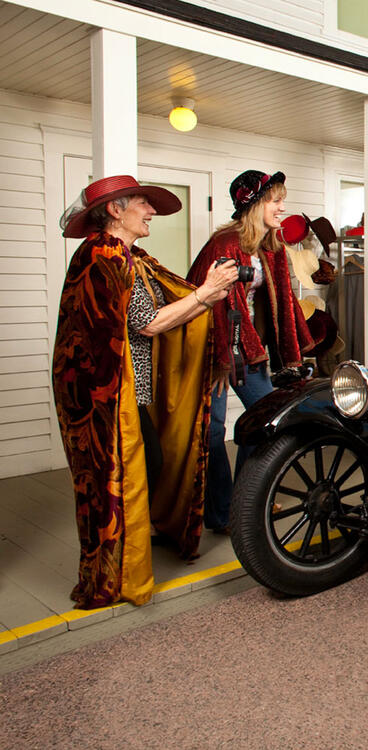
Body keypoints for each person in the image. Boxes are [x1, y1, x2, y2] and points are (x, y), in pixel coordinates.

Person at [53, 175, 239, 608]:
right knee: (122, 476)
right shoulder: (105, 256)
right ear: (115, 210)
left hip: (122, 391)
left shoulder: (128, 257)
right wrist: (206, 296)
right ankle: (115, 569)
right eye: (142, 203)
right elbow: (148, 322)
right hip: (104, 395)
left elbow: (156, 308)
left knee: (145, 464)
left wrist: (200, 295)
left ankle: (137, 538)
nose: (151, 211)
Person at [187, 170, 314, 534]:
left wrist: (294, 348)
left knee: (264, 420)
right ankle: (221, 512)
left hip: (245, 344)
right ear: (254, 205)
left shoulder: (269, 244)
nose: (281, 207)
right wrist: (226, 357)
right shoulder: (224, 244)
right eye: (275, 200)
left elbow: (285, 300)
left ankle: (243, 499)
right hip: (210, 346)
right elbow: (213, 304)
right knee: (211, 431)